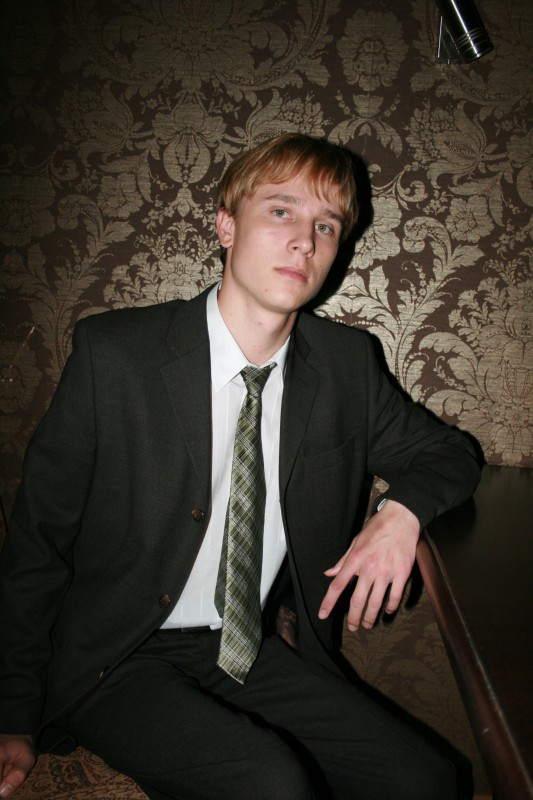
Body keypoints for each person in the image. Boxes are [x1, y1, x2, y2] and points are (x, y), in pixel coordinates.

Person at [0, 134, 480, 800]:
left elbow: (450, 454)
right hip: (117, 656)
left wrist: (398, 513)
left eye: (326, 226)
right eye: (281, 211)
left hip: (245, 649)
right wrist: (12, 713)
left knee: (425, 779)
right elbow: (37, 542)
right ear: (226, 226)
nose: (304, 241)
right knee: (272, 784)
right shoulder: (115, 355)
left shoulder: (344, 366)